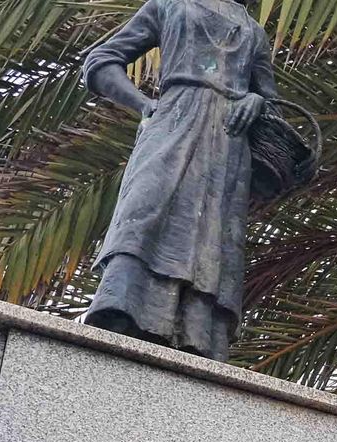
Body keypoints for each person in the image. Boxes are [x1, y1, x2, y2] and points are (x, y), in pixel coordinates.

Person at [79, 0, 278, 361]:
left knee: (212, 237)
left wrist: (256, 101)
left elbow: (271, 103)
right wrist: (143, 105)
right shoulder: (169, 5)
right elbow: (100, 62)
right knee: (145, 210)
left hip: (229, 142)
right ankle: (119, 310)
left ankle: (194, 333)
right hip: (173, 121)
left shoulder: (253, 30)